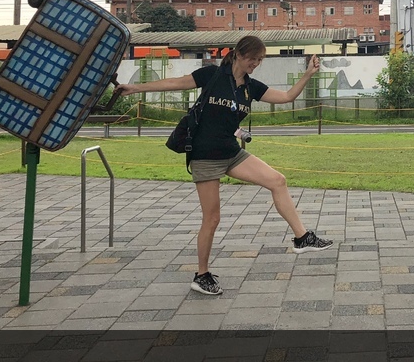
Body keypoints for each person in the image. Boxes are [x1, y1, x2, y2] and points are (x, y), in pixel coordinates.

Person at [117, 35, 332, 296]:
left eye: (260, 60)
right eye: (253, 58)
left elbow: (287, 96)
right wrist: (135, 88)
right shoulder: (212, 75)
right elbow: (174, 83)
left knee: (278, 180)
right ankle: (201, 274)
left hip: (230, 152)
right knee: (213, 218)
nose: (256, 64)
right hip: (205, 155)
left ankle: (302, 238)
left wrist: (309, 73)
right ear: (239, 55)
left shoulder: (250, 87)